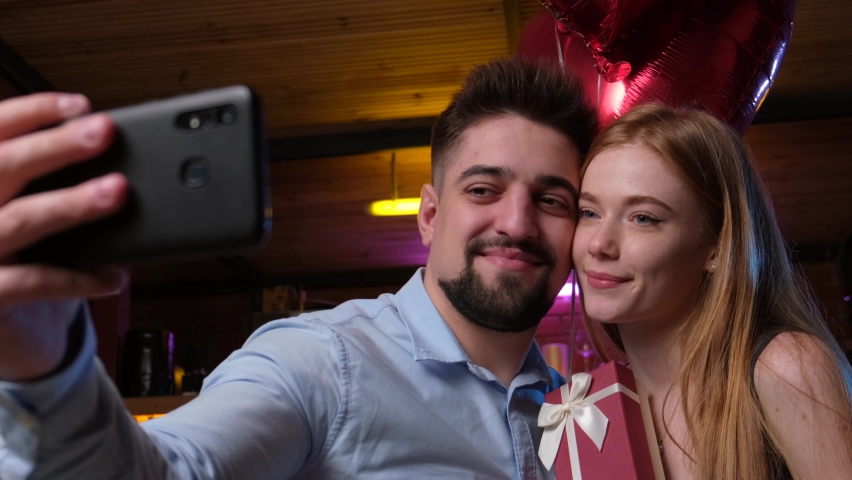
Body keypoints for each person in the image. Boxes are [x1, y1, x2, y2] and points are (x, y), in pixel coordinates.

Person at [0, 57, 597, 479]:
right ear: (430, 216)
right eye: (484, 189)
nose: (518, 223)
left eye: (551, 201)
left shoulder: (577, 407)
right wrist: (48, 369)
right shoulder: (322, 361)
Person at [572, 103, 852, 479]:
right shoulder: (591, 409)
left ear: (718, 246)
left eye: (643, 218)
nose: (599, 245)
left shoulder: (785, 366)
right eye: (589, 212)